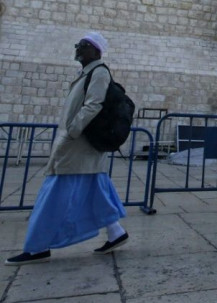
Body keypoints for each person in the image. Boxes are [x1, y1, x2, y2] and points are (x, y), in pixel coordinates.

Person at [5, 32, 129, 265]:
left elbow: (93, 104)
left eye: (84, 45)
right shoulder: (87, 73)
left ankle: (37, 246)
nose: (78, 48)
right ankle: (116, 232)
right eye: (78, 44)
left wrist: (72, 130)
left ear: (96, 51)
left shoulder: (99, 72)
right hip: (82, 146)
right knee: (96, 188)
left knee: (53, 195)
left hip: (77, 144)